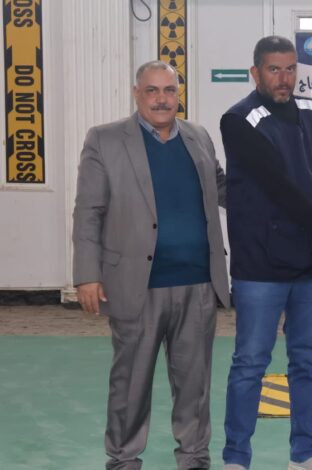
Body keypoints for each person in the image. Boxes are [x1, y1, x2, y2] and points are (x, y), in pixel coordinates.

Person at [72, 60, 230, 470]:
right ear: (136, 93)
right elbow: (88, 211)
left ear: (179, 95)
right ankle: (124, 459)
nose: (162, 99)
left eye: (169, 90)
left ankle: (194, 458)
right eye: (152, 91)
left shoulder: (198, 136)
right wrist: (87, 274)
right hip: (135, 285)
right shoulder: (105, 140)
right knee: (130, 384)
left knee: (195, 386)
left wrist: (287, 185)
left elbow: (225, 189)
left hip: (198, 284)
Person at [219, 36, 312, 470]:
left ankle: (305, 454)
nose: (283, 78)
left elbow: (310, 180)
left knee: (308, 362)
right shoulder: (239, 120)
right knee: (250, 363)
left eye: (289, 69)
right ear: (255, 73)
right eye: (273, 69)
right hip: (261, 266)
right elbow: (279, 188)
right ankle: (236, 458)